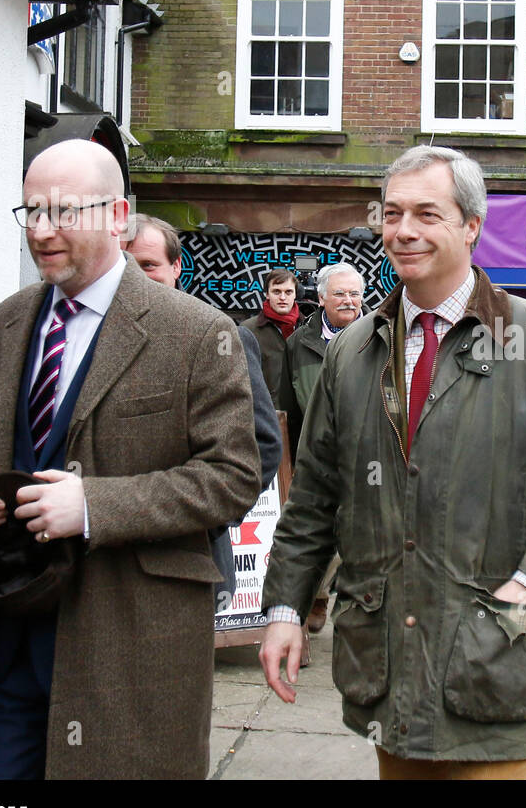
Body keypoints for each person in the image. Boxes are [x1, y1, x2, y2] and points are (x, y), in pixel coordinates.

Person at [257, 145, 526, 779]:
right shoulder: (353, 352)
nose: (404, 230)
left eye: (427, 214)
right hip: (387, 665)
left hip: (497, 673)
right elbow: (316, 495)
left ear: (471, 226)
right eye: (393, 213)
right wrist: (286, 609)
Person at [0, 139, 262, 778]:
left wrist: (94, 506)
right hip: (10, 634)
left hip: (130, 643)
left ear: (118, 215)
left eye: (64, 212)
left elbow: (233, 478)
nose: (41, 230)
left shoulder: (198, 333)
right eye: (30, 212)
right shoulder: (8, 322)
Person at [122, 213, 282, 612]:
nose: (136, 277)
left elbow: (262, 445)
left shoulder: (220, 335)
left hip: (191, 563)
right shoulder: (93, 338)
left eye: (149, 265)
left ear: (176, 267)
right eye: (125, 264)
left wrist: (206, 521)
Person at [284, 261, 366, 632]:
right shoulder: (298, 345)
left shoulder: (382, 336)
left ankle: (342, 597)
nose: (349, 301)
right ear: (320, 298)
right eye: (340, 294)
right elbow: (285, 404)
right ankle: (315, 596)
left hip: (369, 454)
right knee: (317, 529)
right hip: (318, 455)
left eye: (354, 293)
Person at [241, 268, 301, 448]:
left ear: (295, 295)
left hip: (302, 420)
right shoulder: (247, 330)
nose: (283, 297)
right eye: (277, 291)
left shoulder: (309, 329)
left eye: (288, 292)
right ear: (267, 294)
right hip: (263, 422)